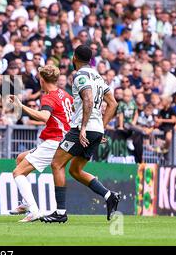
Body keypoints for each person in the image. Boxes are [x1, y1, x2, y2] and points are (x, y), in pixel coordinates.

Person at [42, 45, 120, 223]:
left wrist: (83, 127)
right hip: (96, 129)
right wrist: (101, 127)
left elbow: (88, 99)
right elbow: (113, 103)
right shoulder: (99, 77)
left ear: (74, 58)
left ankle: (60, 213)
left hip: (81, 128)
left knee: (56, 164)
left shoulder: (80, 76)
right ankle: (109, 196)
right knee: (75, 170)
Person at [8, 65, 73, 222]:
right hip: (64, 140)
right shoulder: (65, 95)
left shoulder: (49, 97)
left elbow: (44, 117)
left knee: (17, 173)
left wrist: (21, 106)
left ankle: (34, 211)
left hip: (55, 142)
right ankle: (25, 203)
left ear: (42, 80)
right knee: (20, 158)